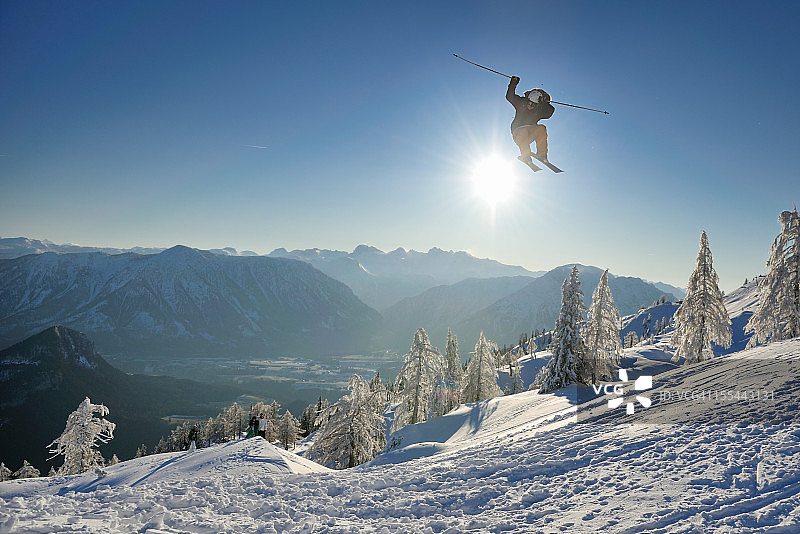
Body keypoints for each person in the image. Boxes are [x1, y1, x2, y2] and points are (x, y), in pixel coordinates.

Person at [506, 75, 555, 165]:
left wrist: (545, 104)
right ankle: (525, 155)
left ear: (538, 105)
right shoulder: (521, 103)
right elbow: (510, 96)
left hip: (530, 132)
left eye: (533, 105)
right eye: (528, 102)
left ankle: (542, 154)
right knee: (523, 130)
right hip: (518, 132)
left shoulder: (540, 111)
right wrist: (513, 82)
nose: (529, 106)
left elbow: (550, 112)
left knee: (541, 128)